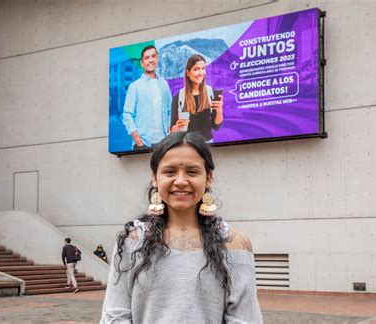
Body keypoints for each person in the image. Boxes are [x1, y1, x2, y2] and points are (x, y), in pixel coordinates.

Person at [100, 132, 262, 323]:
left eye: (192, 172)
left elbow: (245, 319)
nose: (180, 181)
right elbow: (114, 316)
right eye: (169, 172)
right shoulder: (133, 240)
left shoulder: (234, 244)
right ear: (154, 178)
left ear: (208, 178)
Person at [122, 45, 172, 150]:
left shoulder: (164, 84)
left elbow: (170, 111)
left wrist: (169, 135)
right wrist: (139, 142)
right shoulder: (134, 86)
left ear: (157, 59)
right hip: (143, 144)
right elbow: (127, 115)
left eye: (153, 56)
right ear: (142, 63)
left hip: (164, 143)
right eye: (147, 57)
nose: (150, 60)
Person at [170, 54, 223, 143]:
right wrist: (177, 128)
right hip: (187, 147)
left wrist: (219, 111)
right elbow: (172, 130)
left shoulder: (211, 93)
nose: (201, 73)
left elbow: (216, 126)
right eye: (196, 69)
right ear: (188, 73)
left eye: (203, 68)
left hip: (207, 146)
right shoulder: (178, 97)